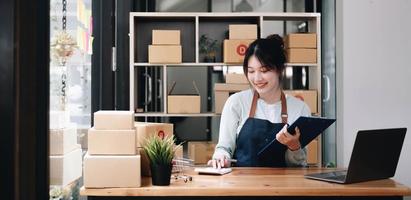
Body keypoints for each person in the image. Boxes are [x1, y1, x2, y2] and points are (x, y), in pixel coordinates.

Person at [208, 34, 311, 168]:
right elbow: (224, 148)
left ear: (279, 69)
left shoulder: (300, 109)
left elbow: (299, 165)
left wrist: (294, 147)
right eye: (251, 71)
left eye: (264, 70)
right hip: (243, 185)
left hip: (285, 186)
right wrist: (221, 157)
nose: (257, 78)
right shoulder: (236, 103)